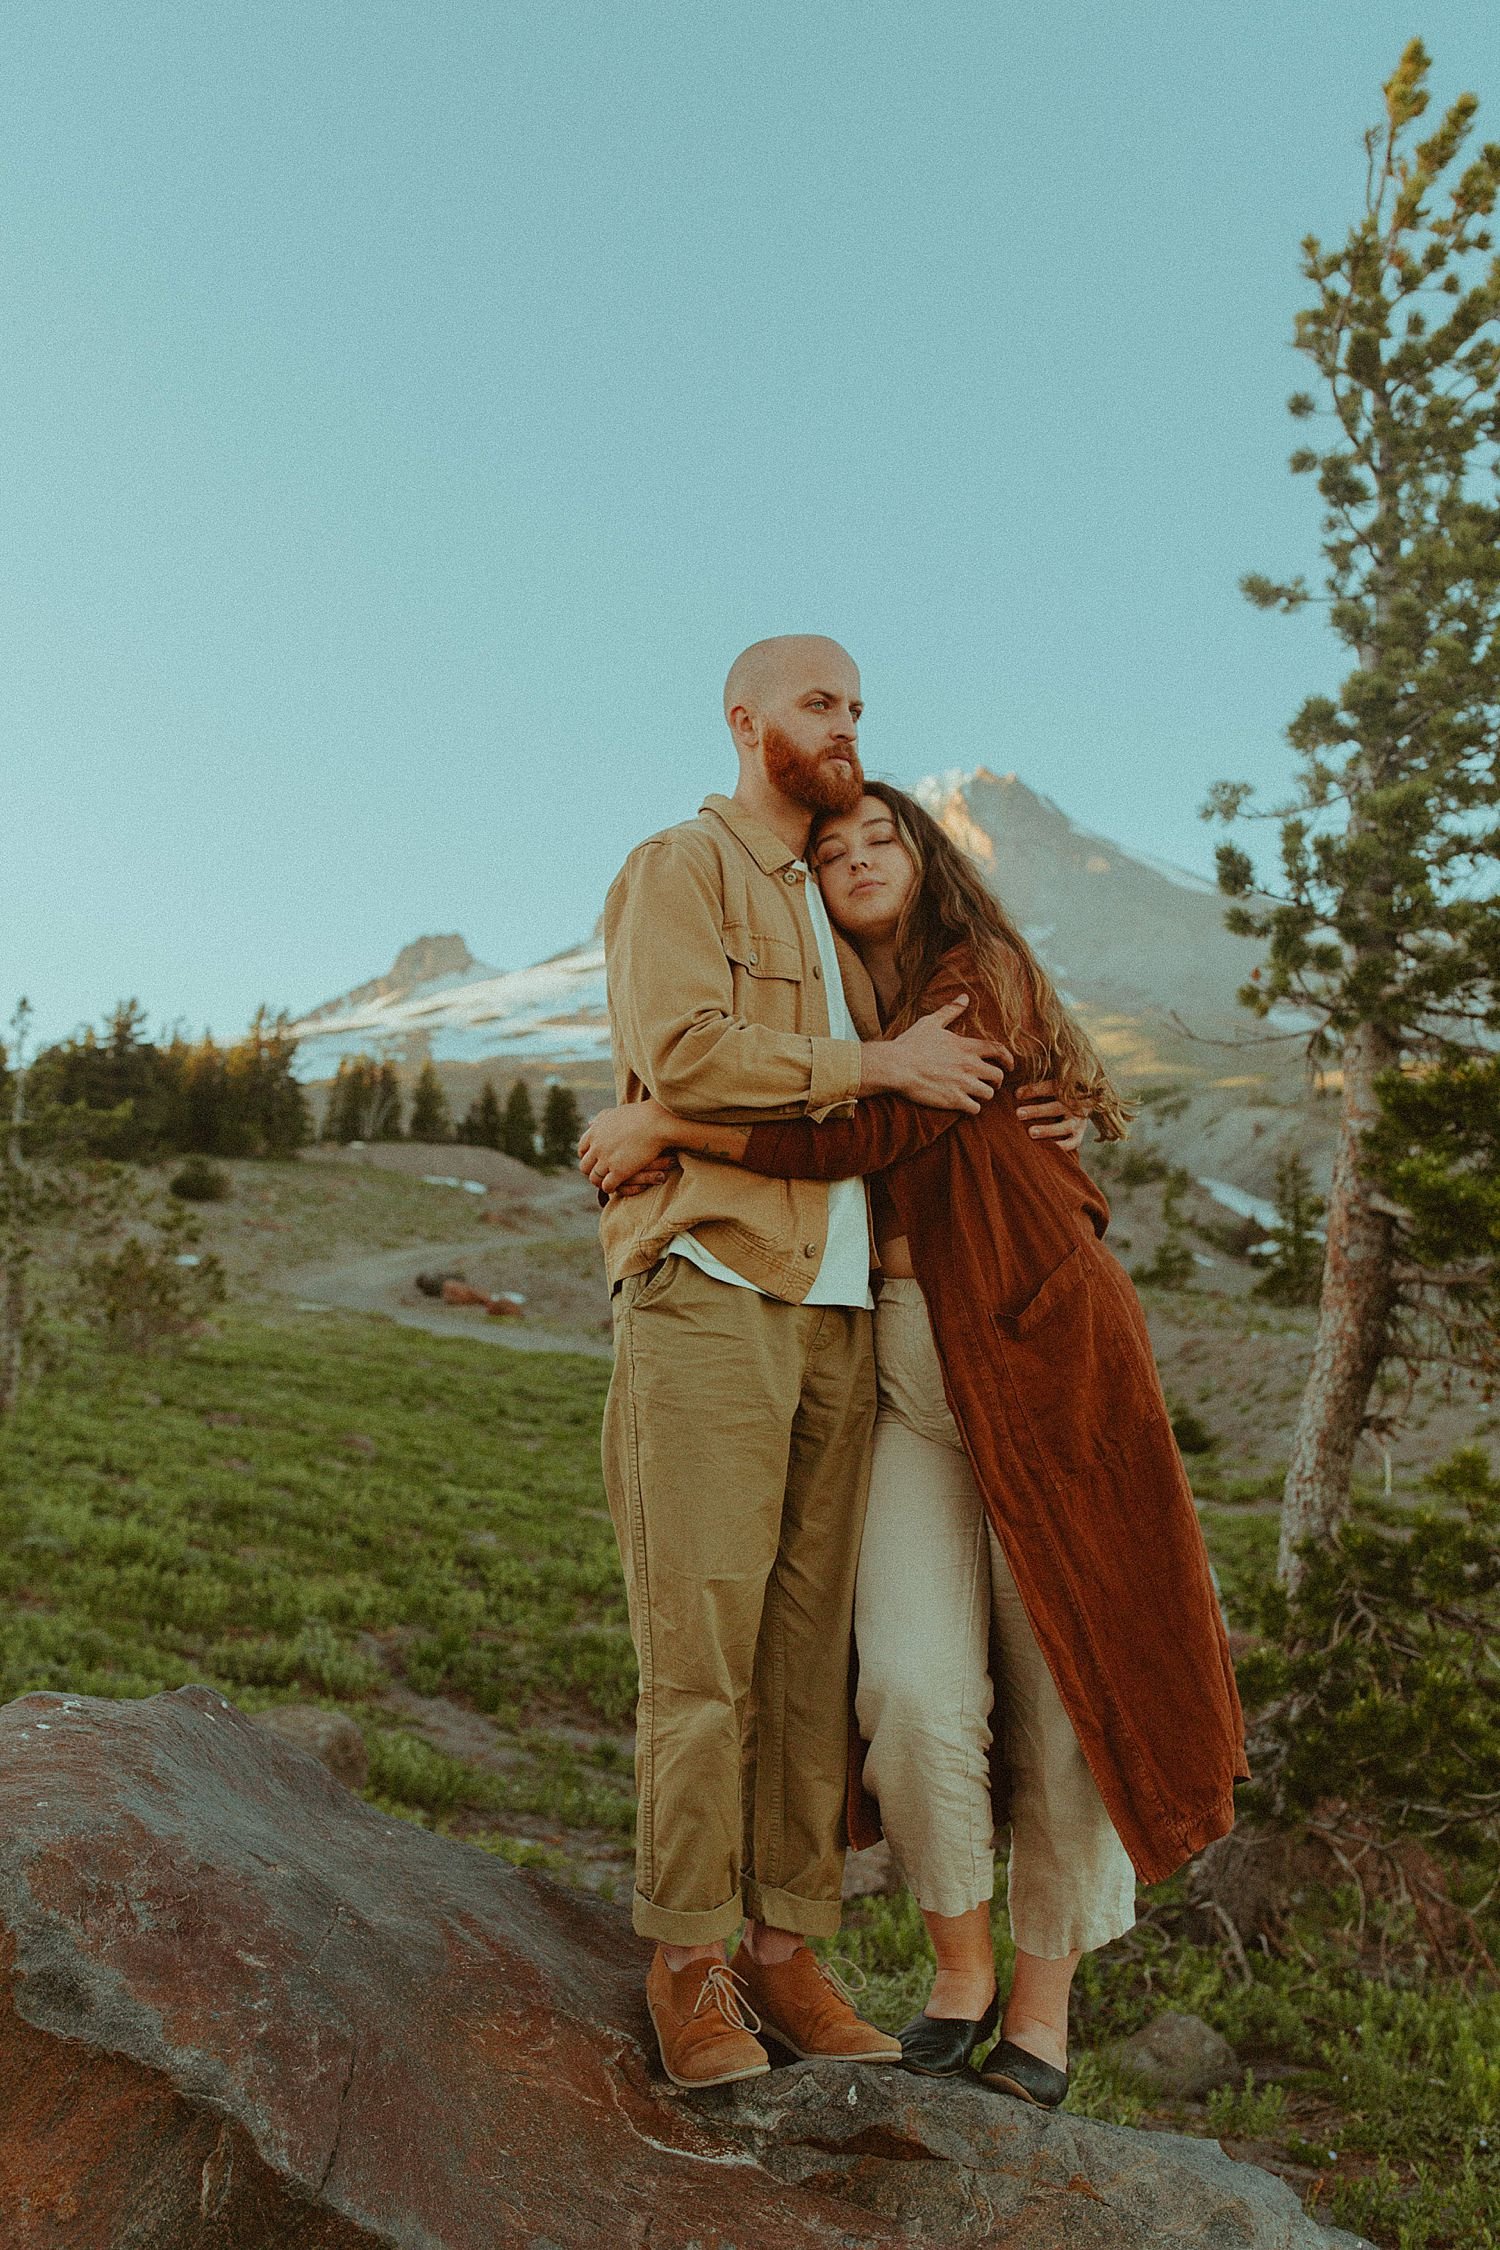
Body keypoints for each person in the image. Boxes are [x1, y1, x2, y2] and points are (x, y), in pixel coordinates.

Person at [582, 781, 1248, 2108]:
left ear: (931, 860)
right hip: (895, 1362)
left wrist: (666, 1121)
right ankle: (958, 1969)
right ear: (809, 885)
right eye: (832, 848)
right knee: (910, 1683)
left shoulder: (977, 967)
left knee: (1065, 1687)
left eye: (886, 835)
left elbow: (889, 1123)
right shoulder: (823, 1007)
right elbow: (853, 1109)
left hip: (1042, 1359)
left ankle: (1040, 2013)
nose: (858, 854)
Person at [595, 635, 1082, 2090]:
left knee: (810, 1664)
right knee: (705, 1652)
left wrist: (1045, 1120)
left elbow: (945, 1095)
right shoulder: (680, 867)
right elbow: (682, 1045)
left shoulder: (848, 906)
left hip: (843, 1319)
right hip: (713, 1287)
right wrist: (870, 1070)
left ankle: (787, 1951)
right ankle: (686, 1960)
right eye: (822, 705)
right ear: (746, 721)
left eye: (860, 708)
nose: (849, 728)